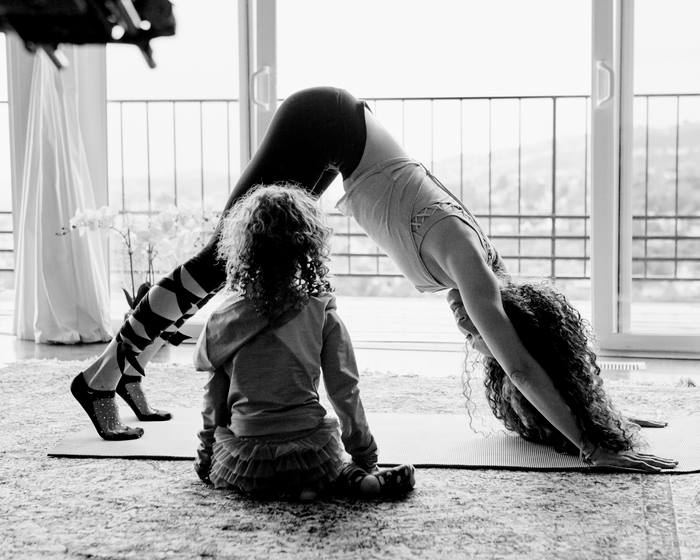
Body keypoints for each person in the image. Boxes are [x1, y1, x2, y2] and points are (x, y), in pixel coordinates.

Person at [71, 86, 676, 472]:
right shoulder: (471, 268)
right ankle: (101, 379)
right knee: (221, 259)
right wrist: (594, 448)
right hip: (325, 120)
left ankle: (119, 372)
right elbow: (520, 364)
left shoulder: (484, 274)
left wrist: (595, 410)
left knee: (229, 263)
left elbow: (542, 354)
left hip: (339, 139)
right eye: (486, 338)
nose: (478, 342)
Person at [191, 183, 415, 499]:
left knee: (251, 471)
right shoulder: (320, 312)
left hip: (246, 456)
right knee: (333, 469)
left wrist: (207, 453)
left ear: (244, 251)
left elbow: (213, 396)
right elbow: (344, 389)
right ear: (306, 248)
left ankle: (288, 490)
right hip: (310, 450)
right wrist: (365, 456)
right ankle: (355, 480)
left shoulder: (224, 317)